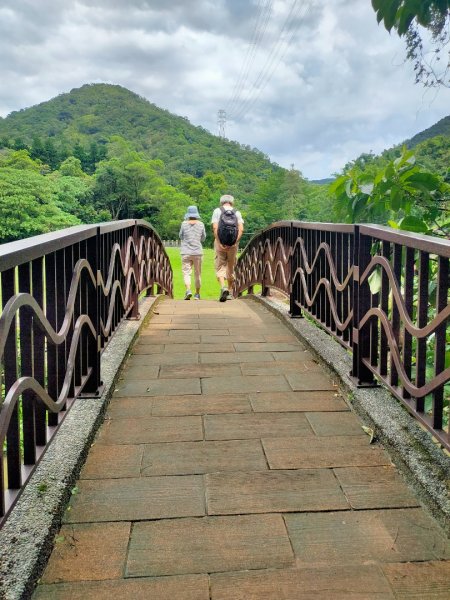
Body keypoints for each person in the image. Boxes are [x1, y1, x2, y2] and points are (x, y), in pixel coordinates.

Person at [211, 194, 244, 302]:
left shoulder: (217, 211)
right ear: (232, 202)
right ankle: (229, 292)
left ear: (221, 202)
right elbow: (241, 229)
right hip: (233, 245)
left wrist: (219, 242)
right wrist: (235, 242)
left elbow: (215, 227)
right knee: (231, 266)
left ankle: (223, 287)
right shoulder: (237, 212)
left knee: (220, 266)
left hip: (220, 243)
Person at [179, 205, 206, 300]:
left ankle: (188, 290)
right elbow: (203, 238)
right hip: (198, 252)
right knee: (198, 274)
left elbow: (181, 236)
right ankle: (197, 294)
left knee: (186, 273)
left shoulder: (183, 224)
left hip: (185, 252)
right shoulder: (201, 224)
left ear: (188, 214)